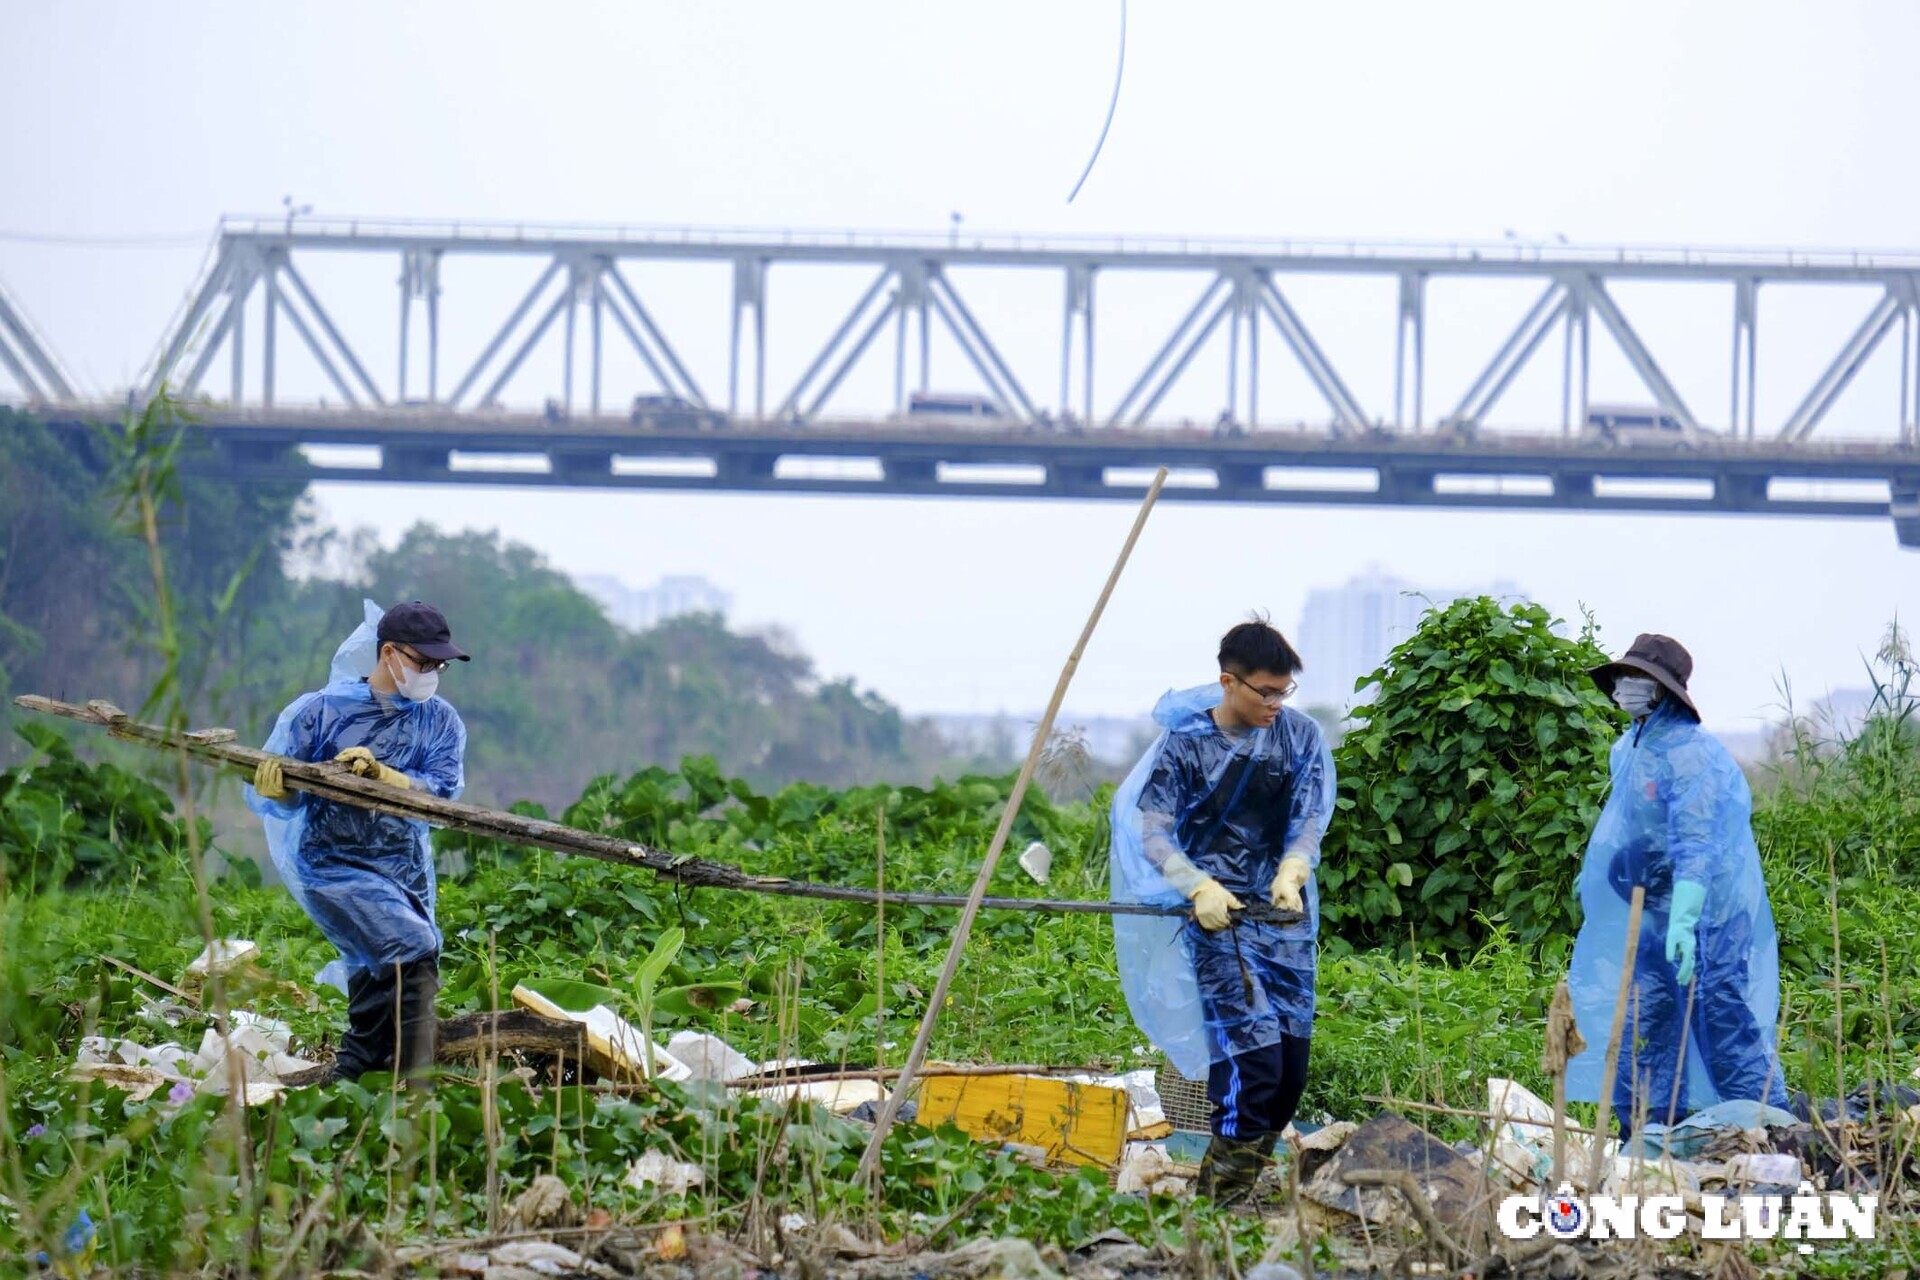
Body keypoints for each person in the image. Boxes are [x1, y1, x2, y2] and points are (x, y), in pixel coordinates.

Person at [1109, 620, 1336, 1207]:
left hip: (1283, 918)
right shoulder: (1187, 743)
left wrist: (1294, 865)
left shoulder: (1300, 736)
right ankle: (1219, 1209)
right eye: (1265, 692)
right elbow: (1152, 827)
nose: (1275, 704)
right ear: (1228, 682)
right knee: (1251, 1065)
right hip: (1219, 921)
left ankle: (1224, 1191)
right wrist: (1195, 883)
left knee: (1288, 1077)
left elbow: (1309, 812)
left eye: (1284, 692)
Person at [1566, 634, 1790, 1131]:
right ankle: (1646, 1141)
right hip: (1652, 914)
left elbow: (1697, 843)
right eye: (1625, 677)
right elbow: (1633, 828)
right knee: (1644, 1027)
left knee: (1723, 1024)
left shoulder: (1692, 755)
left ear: (1664, 690)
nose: (1627, 688)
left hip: (1708, 918)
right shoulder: (1630, 747)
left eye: (1640, 680)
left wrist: (1686, 921)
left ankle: (1775, 1137)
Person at [246, 600, 471, 1083]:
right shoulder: (320, 711)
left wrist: (390, 777)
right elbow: (287, 800)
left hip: (403, 867)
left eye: (440, 665)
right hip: (331, 863)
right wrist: (276, 789)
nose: (433, 673)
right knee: (412, 942)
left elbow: (445, 792)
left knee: (383, 959)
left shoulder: (441, 721)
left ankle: (359, 1072)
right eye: (424, 662)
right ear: (388, 652)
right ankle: (414, 1076)